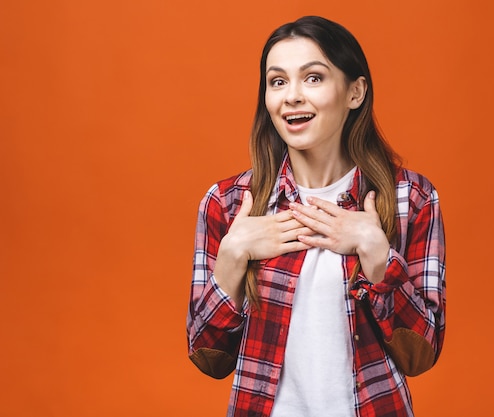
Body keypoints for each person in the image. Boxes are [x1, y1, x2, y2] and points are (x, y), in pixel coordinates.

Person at [186, 16, 446, 417]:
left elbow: (421, 357)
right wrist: (232, 257)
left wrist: (379, 258)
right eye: (277, 81)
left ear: (355, 92)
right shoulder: (228, 203)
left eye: (313, 78)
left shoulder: (411, 199)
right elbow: (209, 358)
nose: (291, 96)